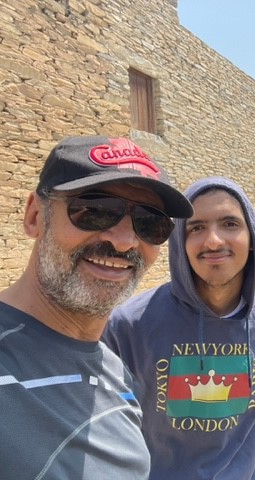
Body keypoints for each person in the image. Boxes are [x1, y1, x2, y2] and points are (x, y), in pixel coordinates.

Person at [0, 135, 193, 479]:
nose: (124, 241)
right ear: (34, 216)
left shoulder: (119, 377)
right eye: (95, 211)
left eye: (150, 223)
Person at [103, 176, 255, 480]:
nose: (213, 241)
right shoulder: (128, 326)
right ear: (179, 243)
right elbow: (108, 424)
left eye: (230, 224)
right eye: (196, 228)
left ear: (252, 238)